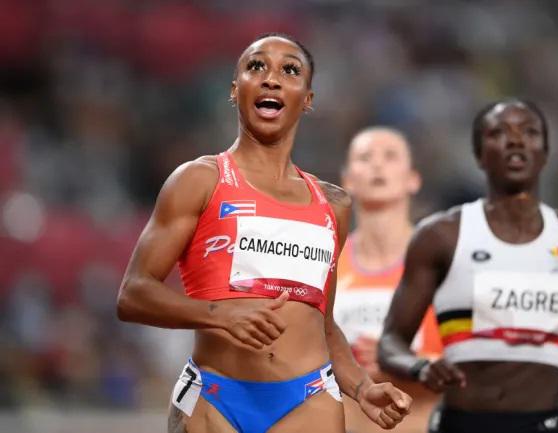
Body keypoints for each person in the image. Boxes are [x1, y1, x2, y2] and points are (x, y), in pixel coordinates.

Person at [117, 33, 412, 433]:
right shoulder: (199, 180)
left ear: (307, 99)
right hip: (215, 396)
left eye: (290, 70)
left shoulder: (334, 204)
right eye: (257, 66)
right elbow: (133, 293)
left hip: (308, 398)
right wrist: (219, 315)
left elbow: (323, 324)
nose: (271, 78)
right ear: (235, 90)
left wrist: (362, 387)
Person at [378, 99, 558, 433]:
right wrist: (420, 367)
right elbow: (391, 342)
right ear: (479, 155)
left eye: (529, 132)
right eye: (499, 132)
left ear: (545, 152)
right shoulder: (441, 236)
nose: (515, 140)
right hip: (461, 424)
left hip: (543, 424)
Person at [334, 127, 443, 433]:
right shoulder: (327, 263)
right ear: (347, 180)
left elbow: (478, 369)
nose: (377, 164)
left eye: (390, 156)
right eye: (365, 157)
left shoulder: (442, 264)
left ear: (413, 178)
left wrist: (407, 363)